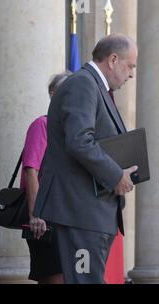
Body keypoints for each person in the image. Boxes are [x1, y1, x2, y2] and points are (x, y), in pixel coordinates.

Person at [32, 33, 138, 284]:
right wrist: (115, 176)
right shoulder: (83, 84)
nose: (131, 74)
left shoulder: (93, 85)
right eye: (130, 65)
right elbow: (79, 140)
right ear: (113, 60)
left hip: (90, 212)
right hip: (81, 212)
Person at [21, 71, 72, 284]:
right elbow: (30, 169)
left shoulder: (73, 132)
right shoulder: (42, 125)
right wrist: (36, 214)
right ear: (53, 94)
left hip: (69, 218)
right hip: (45, 219)